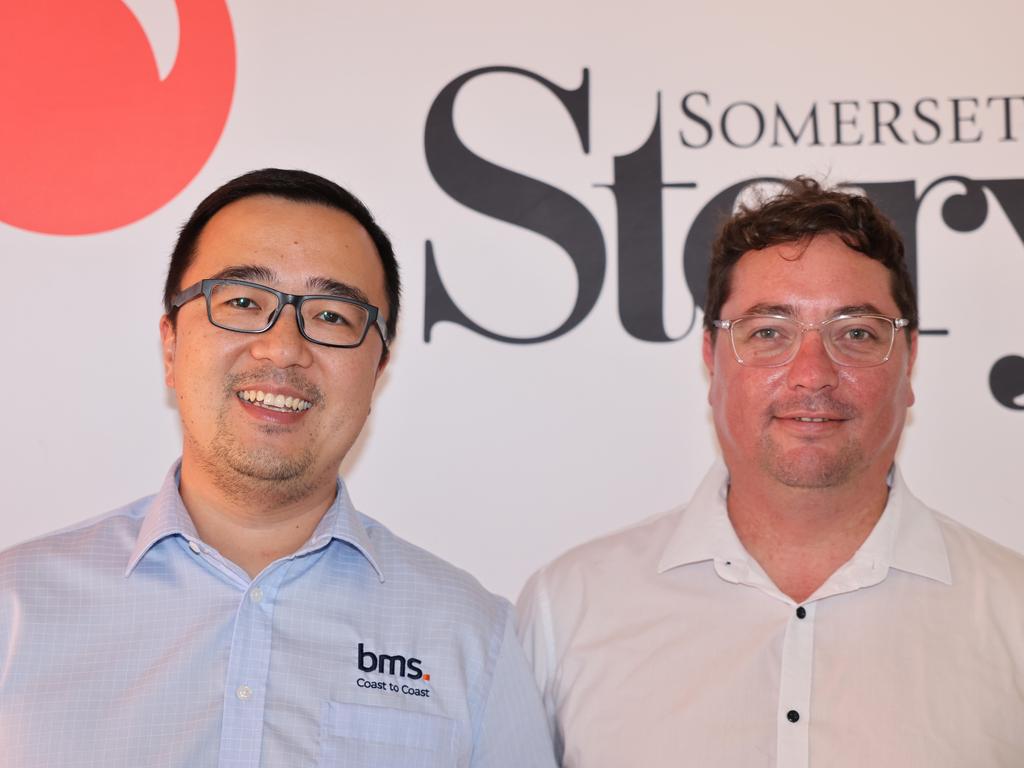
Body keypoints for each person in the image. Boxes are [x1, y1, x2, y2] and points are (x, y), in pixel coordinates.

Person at [0, 168, 556, 768]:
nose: (284, 347)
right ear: (170, 345)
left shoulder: (472, 638)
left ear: (378, 369)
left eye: (331, 317)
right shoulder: (16, 608)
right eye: (242, 302)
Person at [517, 177, 1024, 767]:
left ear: (910, 362)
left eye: (855, 333)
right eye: (768, 333)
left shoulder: (1012, 615)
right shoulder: (569, 610)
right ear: (711, 358)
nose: (812, 374)